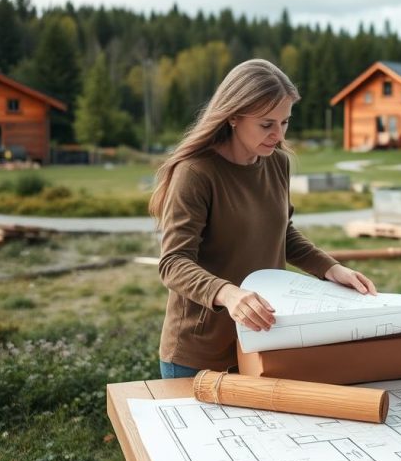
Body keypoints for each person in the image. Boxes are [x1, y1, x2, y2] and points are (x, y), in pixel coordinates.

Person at [149, 59, 377, 379]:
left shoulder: (277, 163)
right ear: (233, 117)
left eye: (285, 122)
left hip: (262, 341)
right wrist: (229, 295)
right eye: (266, 124)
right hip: (199, 353)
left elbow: (282, 234)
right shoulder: (196, 173)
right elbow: (173, 263)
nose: (278, 135)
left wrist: (330, 268)